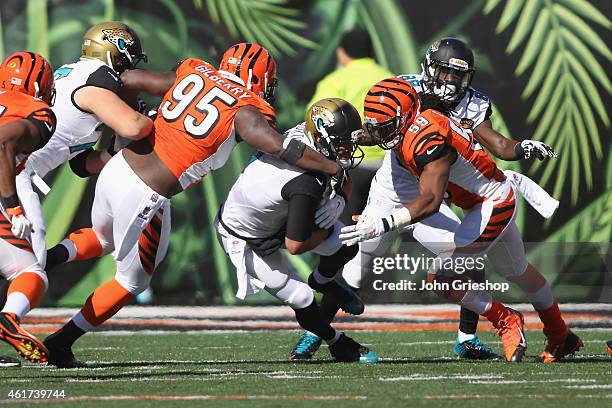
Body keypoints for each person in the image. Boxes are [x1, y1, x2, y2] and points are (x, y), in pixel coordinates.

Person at [43, 43, 348, 368]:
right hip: (146, 194)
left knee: (102, 239)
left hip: (117, 168)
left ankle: (36, 264)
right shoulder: (245, 109)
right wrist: (333, 168)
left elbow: (128, 79)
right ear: (260, 79)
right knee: (132, 282)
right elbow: (280, 146)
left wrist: (122, 131)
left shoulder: (194, 71)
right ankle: (60, 343)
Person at [291, 38, 558, 361]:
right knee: (357, 268)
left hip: (432, 192)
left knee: (463, 260)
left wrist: (522, 147)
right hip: (394, 189)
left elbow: (498, 145)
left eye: (457, 75)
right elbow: (381, 128)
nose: (450, 82)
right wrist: (352, 136)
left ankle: (468, 337)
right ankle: (316, 333)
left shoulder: (467, 106)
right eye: (444, 73)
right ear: (430, 70)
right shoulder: (404, 91)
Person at [339, 77, 582, 363]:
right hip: (484, 201)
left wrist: (383, 223)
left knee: (441, 277)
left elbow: (430, 201)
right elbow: (381, 132)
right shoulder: (412, 122)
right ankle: (560, 335)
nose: (378, 132)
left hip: (493, 203)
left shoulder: (427, 138)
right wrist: (350, 135)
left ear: (405, 118)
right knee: (518, 271)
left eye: (386, 125)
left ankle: (506, 319)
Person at [217, 98, 376, 363]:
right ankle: (336, 342)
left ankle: (323, 281)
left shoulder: (307, 136)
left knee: (348, 239)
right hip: (243, 236)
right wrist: (288, 235)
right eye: (341, 142)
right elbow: (295, 245)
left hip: (276, 218)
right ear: (323, 138)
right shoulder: (306, 182)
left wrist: (340, 201)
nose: (347, 148)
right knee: (301, 297)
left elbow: (343, 177)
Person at [22, 21, 153, 271]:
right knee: (28, 268)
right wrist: (154, 119)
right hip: (14, 172)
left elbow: (82, 164)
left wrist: (114, 151)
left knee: (23, 264)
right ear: (116, 51)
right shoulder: (99, 76)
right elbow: (134, 127)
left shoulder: (72, 73)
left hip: (17, 167)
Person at [0, 51, 56, 363]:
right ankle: (9, 319)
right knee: (30, 271)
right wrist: (14, 206)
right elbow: (3, 143)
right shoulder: (39, 111)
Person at [308, 28, 393, 224]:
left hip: (350, 169)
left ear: (341, 52)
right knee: (379, 236)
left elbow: (314, 121)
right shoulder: (391, 79)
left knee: (344, 235)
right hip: (389, 170)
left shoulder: (335, 81)